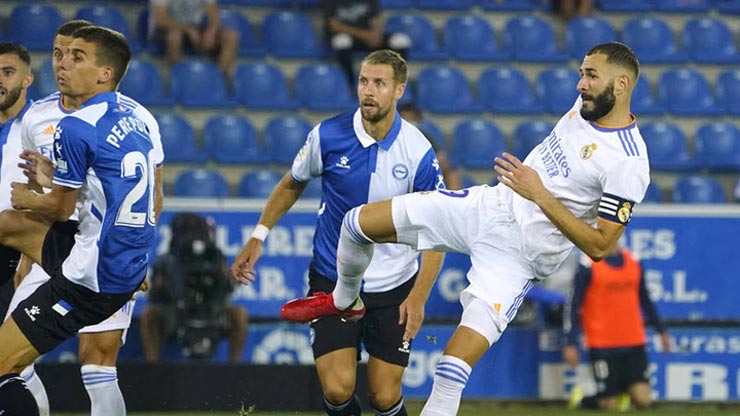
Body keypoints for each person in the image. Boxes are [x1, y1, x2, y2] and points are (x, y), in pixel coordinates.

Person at [278, 42, 650, 416]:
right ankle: (344, 300)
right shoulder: (585, 109)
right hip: (488, 207)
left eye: (590, 76)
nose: (579, 85)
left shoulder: (628, 164)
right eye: (581, 73)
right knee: (357, 222)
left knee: (451, 371)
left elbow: (600, 246)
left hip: (518, 260)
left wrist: (540, 195)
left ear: (620, 85)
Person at [231, 49, 445, 416]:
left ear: (398, 90)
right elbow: (290, 184)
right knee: (337, 387)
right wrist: (259, 235)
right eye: (364, 81)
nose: (369, 91)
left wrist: (419, 296)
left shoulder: (418, 152)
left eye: (379, 83)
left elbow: (437, 230)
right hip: (332, 278)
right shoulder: (328, 135)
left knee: (384, 395)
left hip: (394, 286)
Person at [2, 20, 165, 416]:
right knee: (7, 224)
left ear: (105, 73)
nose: (63, 64)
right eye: (59, 54)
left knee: (93, 362)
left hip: (91, 270)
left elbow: (58, 206)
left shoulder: (77, 126)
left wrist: (29, 196)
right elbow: (99, 184)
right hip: (92, 248)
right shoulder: (130, 119)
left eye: (76, 57)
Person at [563, 245, 671, 411]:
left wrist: (661, 331)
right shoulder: (588, 264)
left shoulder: (633, 261)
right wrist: (570, 342)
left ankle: (618, 390)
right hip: (602, 344)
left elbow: (645, 299)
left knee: (643, 400)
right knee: (610, 406)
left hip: (633, 340)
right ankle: (584, 398)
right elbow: (574, 304)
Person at [141, 212, 248, 363]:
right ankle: (152, 365)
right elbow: (153, 297)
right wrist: (166, 287)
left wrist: (229, 279)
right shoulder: (166, 261)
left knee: (239, 314)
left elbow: (226, 289)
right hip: (176, 311)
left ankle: (235, 365)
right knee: (149, 314)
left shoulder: (215, 257)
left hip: (212, 311)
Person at [0, 42, 35, 412]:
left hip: (21, 254)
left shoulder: (38, 128)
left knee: (10, 363)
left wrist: (31, 255)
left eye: (7, 72)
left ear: (27, 79)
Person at [319, 0, 411, 87]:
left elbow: (377, 19)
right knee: (340, 41)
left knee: (401, 41)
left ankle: (396, 82)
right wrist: (365, 35)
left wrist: (376, 35)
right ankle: (350, 83)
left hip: (370, 36)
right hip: (350, 36)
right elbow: (335, 26)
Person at [149, 0, 239, 76]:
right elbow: (161, 20)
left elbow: (214, 15)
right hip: (167, 29)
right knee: (175, 36)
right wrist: (188, 30)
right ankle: (178, 77)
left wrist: (211, 31)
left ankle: (217, 78)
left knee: (231, 36)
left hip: (196, 27)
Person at [398, 102, 462, 190]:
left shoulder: (424, 137)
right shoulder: (389, 139)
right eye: (405, 120)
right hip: (399, 177)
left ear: (418, 121)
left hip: (422, 177)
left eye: (411, 120)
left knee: (451, 174)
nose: (409, 124)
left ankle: (454, 201)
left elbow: (442, 161)